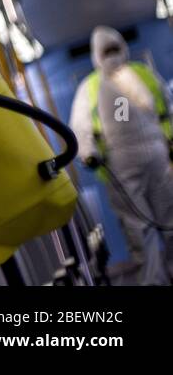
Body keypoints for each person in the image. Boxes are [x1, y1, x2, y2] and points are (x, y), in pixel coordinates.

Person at [70, 25, 173, 285]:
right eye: (110, 50)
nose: (113, 55)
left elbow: (80, 128)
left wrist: (89, 153)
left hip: (134, 162)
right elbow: (168, 107)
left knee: (146, 226)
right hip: (142, 159)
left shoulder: (94, 85)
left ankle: (155, 281)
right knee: (156, 223)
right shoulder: (137, 74)